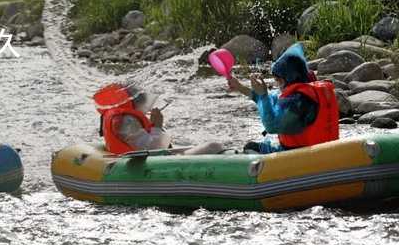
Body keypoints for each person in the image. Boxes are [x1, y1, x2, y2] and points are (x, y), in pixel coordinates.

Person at [226, 43, 339, 153]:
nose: (276, 85)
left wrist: (263, 95)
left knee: (250, 147)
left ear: (285, 80)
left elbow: (271, 126)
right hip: (324, 153)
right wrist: (240, 87)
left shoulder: (298, 102)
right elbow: (270, 102)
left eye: (277, 80)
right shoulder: (306, 93)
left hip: (300, 157)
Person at [94, 82, 222, 155]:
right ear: (132, 102)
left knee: (205, 147)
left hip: (134, 160)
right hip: (141, 167)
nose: (145, 107)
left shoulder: (119, 117)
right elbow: (154, 150)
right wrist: (157, 126)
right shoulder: (128, 121)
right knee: (214, 146)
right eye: (142, 103)